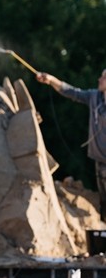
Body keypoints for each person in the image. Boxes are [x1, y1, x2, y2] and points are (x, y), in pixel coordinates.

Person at [37, 69, 106, 221]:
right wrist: (51, 80)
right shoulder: (95, 97)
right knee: (103, 202)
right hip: (99, 161)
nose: (99, 79)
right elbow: (73, 92)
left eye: (103, 78)